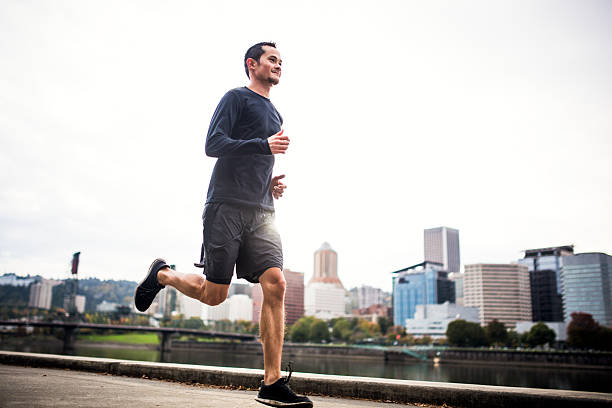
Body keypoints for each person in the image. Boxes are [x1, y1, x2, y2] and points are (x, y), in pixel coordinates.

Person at [134, 42, 313, 408]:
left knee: (275, 283)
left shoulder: (276, 114)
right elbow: (214, 144)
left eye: (282, 61)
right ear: (252, 64)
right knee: (215, 296)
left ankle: (272, 382)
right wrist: (263, 145)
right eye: (272, 59)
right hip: (226, 207)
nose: (279, 65)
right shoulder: (235, 98)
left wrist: (271, 184)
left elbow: (257, 158)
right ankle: (163, 274)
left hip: (262, 212)